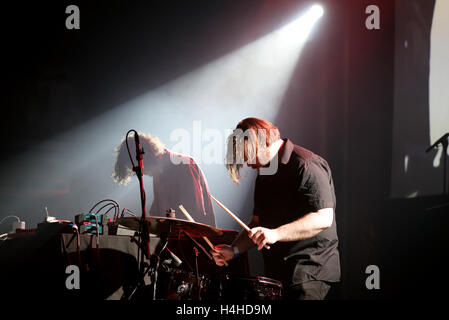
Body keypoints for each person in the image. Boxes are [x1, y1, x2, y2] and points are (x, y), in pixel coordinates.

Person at [211, 117, 340, 300]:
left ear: (261, 144)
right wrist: (234, 250)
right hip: (277, 275)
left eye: (249, 156)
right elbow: (256, 223)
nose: (248, 163)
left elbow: (323, 217)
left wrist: (275, 233)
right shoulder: (264, 172)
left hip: (310, 274)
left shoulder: (306, 165)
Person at [113, 132, 216, 227]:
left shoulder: (184, 165)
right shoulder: (159, 174)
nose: (142, 173)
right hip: (174, 241)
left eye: (141, 169)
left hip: (197, 242)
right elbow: (157, 212)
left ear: (147, 157)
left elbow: (195, 213)